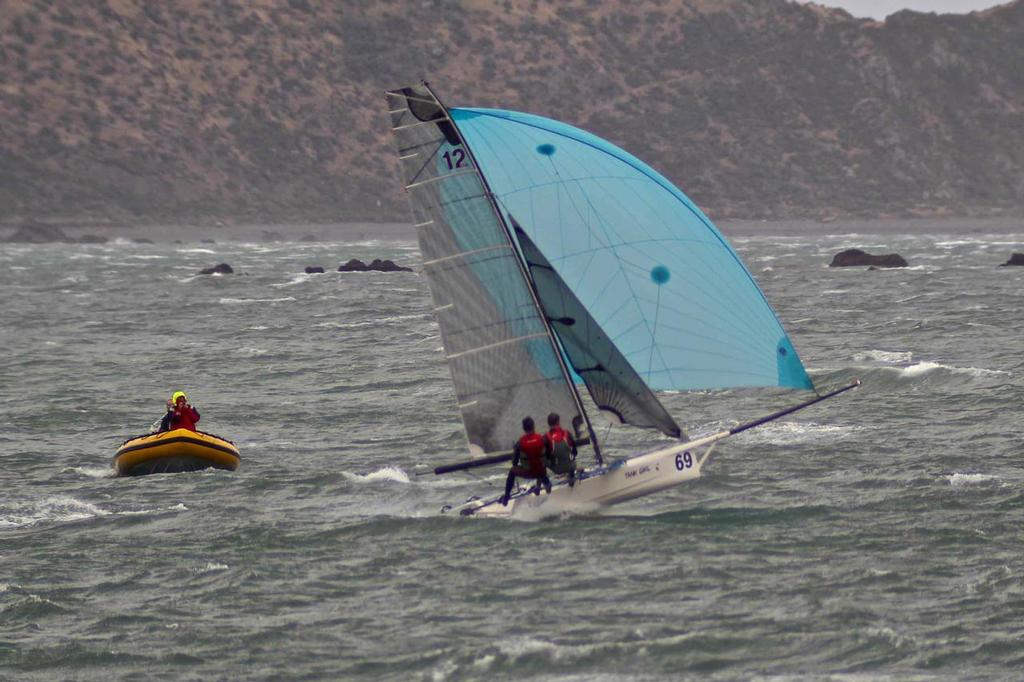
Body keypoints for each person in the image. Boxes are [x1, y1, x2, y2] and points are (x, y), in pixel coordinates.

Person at [500, 416, 552, 506]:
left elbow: (514, 462)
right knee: (540, 464)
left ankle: (506, 497)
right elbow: (548, 454)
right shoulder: (542, 439)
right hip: (541, 472)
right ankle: (546, 486)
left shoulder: (520, 443)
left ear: (524, 428)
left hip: (528, 472)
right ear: (534, 426)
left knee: (512, 471)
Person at [544, 412, 579, 486]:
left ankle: (546, 484)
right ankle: (571, 477)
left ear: (548, 424)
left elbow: (546, 456)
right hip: (571, 466)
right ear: (558, 422)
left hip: (557, 470)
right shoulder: (567, 433)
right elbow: (575, 452)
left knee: (542, 460)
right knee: (570, 458)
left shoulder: (546, 437)